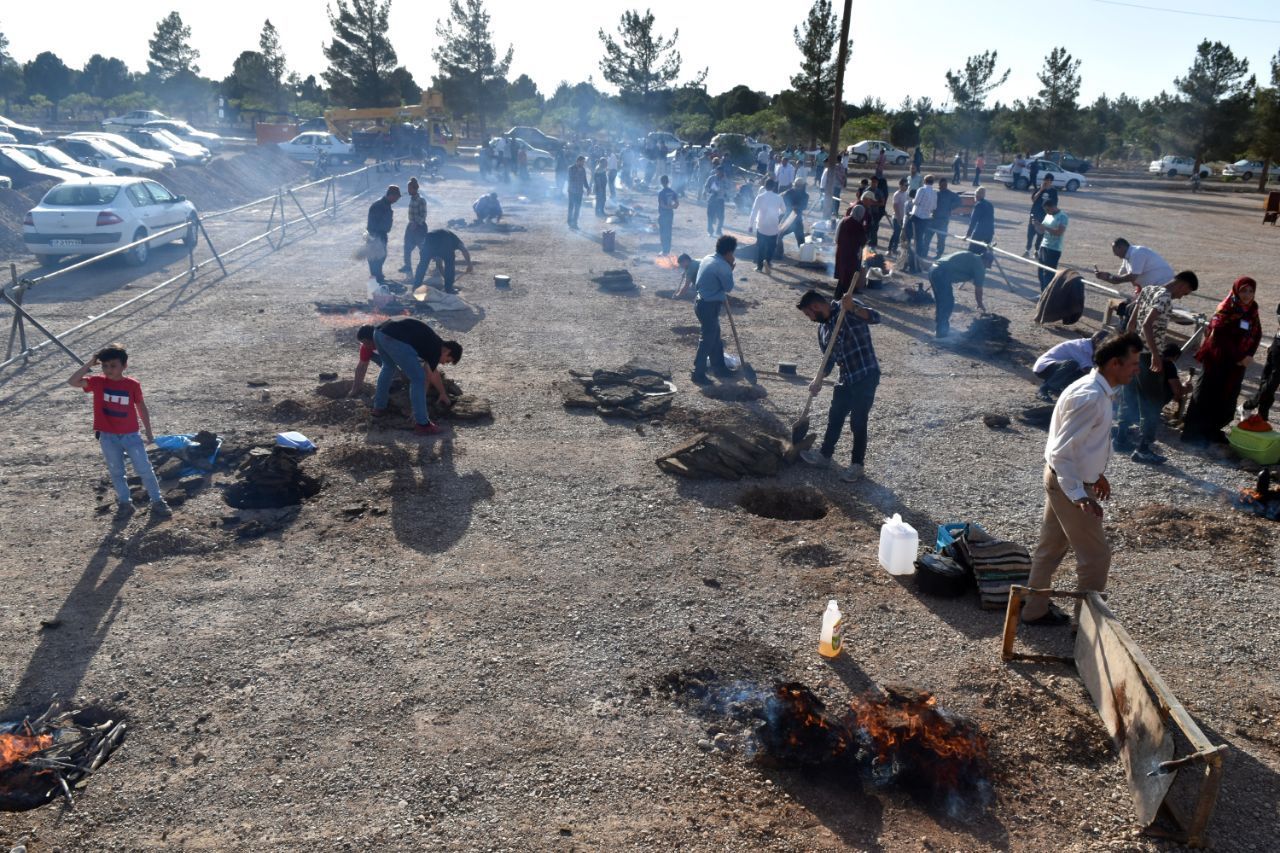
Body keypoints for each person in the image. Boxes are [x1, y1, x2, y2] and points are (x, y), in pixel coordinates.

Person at [1020, 333, 1144, 626]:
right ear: (1115, 363)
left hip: (1065, 478)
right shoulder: (1090, 397)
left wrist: (1096, 474)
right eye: (1133, 363)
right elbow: (1063, 452)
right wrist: (1080, 495)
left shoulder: (1096, 390)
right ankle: (1085, 630)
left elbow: (1084, 443)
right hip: (1067, 482)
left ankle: (1033, 611)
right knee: (1096, 557)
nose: (1137, 369)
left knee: (1050, 548)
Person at [67, 343, 172, 518]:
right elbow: (72, 381)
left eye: (113, 365)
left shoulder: (132, 384)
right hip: (108, 437)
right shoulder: (98, 382)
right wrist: (89, 363)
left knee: (144, 469)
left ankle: (158, 501)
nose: (109, 369)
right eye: (105, 365)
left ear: (124, 366)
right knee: (117, 472)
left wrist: (149, 431)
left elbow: (140, 406)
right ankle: (125, 504)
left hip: (131, 435)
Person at [796, 287, 881, 482]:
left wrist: (854, 308)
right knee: (835, 417)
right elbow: (828, 360)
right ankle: (825, 456)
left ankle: (857, 465)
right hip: (845, 378)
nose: (810, 318)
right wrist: (818, 379)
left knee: (858, 421)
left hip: (866, 374)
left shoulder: (847, 307)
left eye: (809, 313)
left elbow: (876, 318)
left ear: (816, 306)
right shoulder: (823, 329)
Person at [1117, 271, 1200, 464]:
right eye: (1186, 292)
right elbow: (1147, 325)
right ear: (1182, 285)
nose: (1182, 296)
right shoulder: (1165, 297)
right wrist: (1155, 354)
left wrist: (1130, 350)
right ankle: (1143, 449)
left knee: (1129, 395)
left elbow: (1131, 323)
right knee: (1152, 402)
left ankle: (1120, 438)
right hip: (1148, 356)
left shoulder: (1148, 290)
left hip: (1135, 353)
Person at [1181, 276, 1263, 444]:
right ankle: (1192, 433)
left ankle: (1213, 430)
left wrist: (1248, 356)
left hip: (1237, 364)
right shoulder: (1226, 309)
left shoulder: (1252, 310)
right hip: (1217, 359)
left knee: (1227, 396)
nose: (1247, 295)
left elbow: (1257, 335)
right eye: (1243, 291)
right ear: (1236, 291)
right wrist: (1240, 357)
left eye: (1250, 291)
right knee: (1206, 394)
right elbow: (1219, 337)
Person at [370, 318, 462, 435]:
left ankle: (379, 408)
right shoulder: (435, 349)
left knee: (388, 367)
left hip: (378, 333)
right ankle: (422, 424)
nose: (444, 363)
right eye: (448, 360)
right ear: (447, 351)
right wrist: (418, 410)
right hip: (393, 339)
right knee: (418, 378)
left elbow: (432, 372)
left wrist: (442, 393)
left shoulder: (431, 341)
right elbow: (428, 376)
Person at [1094, 238, 1175, 328]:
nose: (1114, 254)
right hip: (1148, 290)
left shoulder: (1137, 253)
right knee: (1124, 306)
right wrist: (1105, 277)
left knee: (1132, 308)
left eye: (1114, 250)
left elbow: (1131, 277)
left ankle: (1128, 330)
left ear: (1120, 247)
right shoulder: (1127, 258)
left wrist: (1110, 276)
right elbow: (1119, 278)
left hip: (1161, 288)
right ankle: (1124, 327)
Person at [691, 235, 737, 384]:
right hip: (709, 305)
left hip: (700, 302)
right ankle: (698, 373)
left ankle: (720, 368)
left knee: (715, 336)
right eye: (733, 253)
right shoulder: (723, 266)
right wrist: (730, 268)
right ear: (729, 252)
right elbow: (728, 287)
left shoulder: (708, 258)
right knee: (707, 339)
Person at [1033, 330, 1110, 402]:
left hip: (1058, 369)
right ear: (1097, 341)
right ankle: (1044, 389)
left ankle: (1059, 388)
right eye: (1105, 345)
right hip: (1045, 367)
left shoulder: (1092, 348)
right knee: (1073, 364)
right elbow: (1088, 370)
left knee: (1082, 373)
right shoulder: (1082, 347)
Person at [929, 250, 990, 338]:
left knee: (941, 301)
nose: (986, 268)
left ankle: (940, 327)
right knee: (947, 302)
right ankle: (941, 333)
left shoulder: (972, 256)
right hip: (941, 273)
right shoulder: (979, 265)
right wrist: (980, 303)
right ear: (986, 261)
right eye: (987, 266)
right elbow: (979, 289)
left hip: (933, 270)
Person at [748, 178, 785, 273]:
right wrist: (778, 213)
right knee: (771, 247)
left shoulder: (760, 197)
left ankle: (759, 267)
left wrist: (750, 225)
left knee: (761, 247)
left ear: (764, 186)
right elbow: (784, 210)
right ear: (773, 187)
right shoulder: (779, 198)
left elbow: (754, 212)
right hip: (773, 227)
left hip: (761, 227)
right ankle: (768, 262)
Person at [365, 184, 400, 284]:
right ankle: (376, 282)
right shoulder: (379, 206)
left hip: (380, 236)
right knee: (375, 260)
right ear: (391, 195)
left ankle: (378, 278)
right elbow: (375, 224)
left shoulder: (385, 205)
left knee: (380, 258)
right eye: (396, 197)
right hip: (376, 237)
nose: (397, 200)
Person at [834, 202, 868, 298]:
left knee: (842, 275)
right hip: (851, 255)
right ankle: (843, 298)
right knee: (848, 276)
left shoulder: (843, 220)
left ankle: (837, 296)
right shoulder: (858, 226)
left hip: (841, 252)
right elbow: (862, 241)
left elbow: (836, 238)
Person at [1034, 197, 1069, 291]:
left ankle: (1048, 295)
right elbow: (1041, 231)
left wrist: (1045, 227)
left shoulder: (1063, 216)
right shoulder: (1048, 215)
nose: (1047, 212)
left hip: (1054, 249)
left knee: (1048, 274)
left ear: (1053, 206)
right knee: (1040, 272)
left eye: (1048, 210)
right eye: (1045, 210)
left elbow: (1059, 232)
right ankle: (1043, 293)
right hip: (1043, 246)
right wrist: (1036, 226)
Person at [906, 175, 938, 272]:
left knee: (907, 239)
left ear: (924, 181)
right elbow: (934, 207)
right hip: (926, 219)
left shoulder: (921, 190)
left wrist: (912, 200)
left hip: (916, 217)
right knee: (920, 241)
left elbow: (916, 202)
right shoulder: (934, 192)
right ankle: (918, 263)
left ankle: (911, 263)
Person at [399, 177, 427, 276]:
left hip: (419, 228)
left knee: (424, 248)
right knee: (407, 247)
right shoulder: (412, 198)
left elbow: (423, 215)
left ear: (414, 189)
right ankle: (408, 267)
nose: (408, 190)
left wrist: (416, 223)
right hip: (411, 226)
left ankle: (437, 260)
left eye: (410, 189)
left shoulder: (421, 200)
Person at [1025, 174, 1057, 257]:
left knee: (1041, 234)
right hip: (1034, 214)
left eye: (1048, 180)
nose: (1046, 182)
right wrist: (1041, 190)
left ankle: (1036, 251)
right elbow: (1033, 199)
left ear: (1051, 181)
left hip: (1045, 217)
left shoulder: (1053, 191)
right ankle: (1027, 250)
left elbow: (1054, 205)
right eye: (1045, 180)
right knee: (1030, 233)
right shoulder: (1039, 189)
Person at [932, 178, 961, 257]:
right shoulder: (936, 193)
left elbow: (959, 201)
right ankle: (924, 252)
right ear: (939, 185)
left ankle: (938, 254)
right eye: (942, 185)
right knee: (928, 236)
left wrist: (950, 207)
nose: (943, 186)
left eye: (945, 185)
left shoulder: (950, 194)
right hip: (934, 219)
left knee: (941, 238)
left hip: (944, 220)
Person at [782, 178, 810, 251]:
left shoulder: (790, 192)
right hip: (789, 219)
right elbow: (784, 202)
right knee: (779, 235)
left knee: (800, 240)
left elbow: (803, 206)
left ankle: (803, 254)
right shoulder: (789, 192)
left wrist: (793, 206)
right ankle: (778, 252)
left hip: (795, 220)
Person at [965, 186, 995, 254]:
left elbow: (973, 221)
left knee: (971, 252)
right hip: (989, 232)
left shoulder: (978, 205)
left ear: (976, 195)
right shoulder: (990, 204)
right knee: (983, 253)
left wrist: (967, 235)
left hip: (980, 233)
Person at [703, 166, 730, 237]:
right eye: (719, 171)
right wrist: (711, 191)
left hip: (720, 200)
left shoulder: (725, 179)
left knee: (721, 217)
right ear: (716, 171)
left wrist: (726, 195)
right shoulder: (711, 178)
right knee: (710, 216)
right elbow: (706, 187)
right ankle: (710, 231)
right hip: (712, 199)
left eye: (722, 172)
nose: (720, 173)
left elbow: (728, 188)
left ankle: (718, 230)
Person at [657, 175, 679, 255]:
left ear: (661, 183)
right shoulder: (673, 192)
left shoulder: (661, 193)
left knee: (663, 232)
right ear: (668, 181)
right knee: (668, 232)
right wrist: (671, 207)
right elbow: (677, 204)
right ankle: (667, 250)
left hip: (663, 214)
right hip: (670, 214)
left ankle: (664, 250)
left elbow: (662, 205)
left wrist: (668, 207)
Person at [566, 155, 589, 229]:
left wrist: (588, 188)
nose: (583, 163)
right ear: (578, 161)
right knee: (571, 207)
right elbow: (570, 179)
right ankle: (569, 221)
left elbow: (584, 180)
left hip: (579, 192)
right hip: (572, 191)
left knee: (577, 208)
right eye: (582, 162)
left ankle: (575, 223)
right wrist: (577, 172)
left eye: (584, 162)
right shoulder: (571, 168)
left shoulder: (583, 169)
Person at [888, 178, 908, 256]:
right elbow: (895, 206)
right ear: (901, 185)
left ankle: (894, 249)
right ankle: (890, 249)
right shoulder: (897, 194)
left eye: (907, 185)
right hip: (897, 218)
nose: (907, 187)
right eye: (906, 185)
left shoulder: (906, 193)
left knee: (899, 234)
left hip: (903, 217)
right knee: (895, 234)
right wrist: (899, 218)